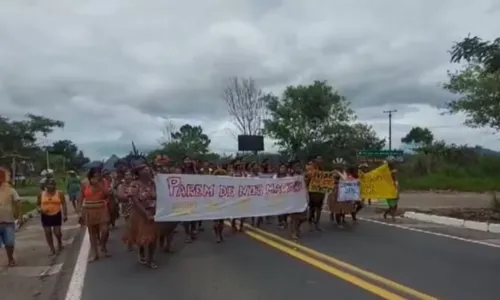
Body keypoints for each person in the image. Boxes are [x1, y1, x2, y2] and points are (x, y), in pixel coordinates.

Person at [123, 165, 159, 268]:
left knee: (153, 237)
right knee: (141, 237)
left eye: (148, 169)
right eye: (144, 170)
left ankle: (150, 259)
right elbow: (135, 201)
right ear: (138, 173)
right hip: (139, 214)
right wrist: (145, 213)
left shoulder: (154, 183)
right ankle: (141, 251)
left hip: (153, 213)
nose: (147, 171)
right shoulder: (135, 184)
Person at [79, 167, 111, 262]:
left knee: (105, 230)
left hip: (101, 208)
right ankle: (94, 253)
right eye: (95, 175)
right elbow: (81, 197)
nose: (97, 177)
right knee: (92, 233)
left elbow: (107, 194)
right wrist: (80, 210)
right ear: (91, 175)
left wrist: (99, 185)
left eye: (98, 175)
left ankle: (102, 245)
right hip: (89, 209)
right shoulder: (84, 183)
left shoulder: (104, 181)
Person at [37, 178, 68, 255]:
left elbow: (64, 203)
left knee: (57, 232)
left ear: (55, 185)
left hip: (56, 214)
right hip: (45, 215)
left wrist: (65, 214)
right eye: (48, 185)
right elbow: (37, 204)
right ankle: (52, 249)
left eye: (52, 184)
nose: (50, 186)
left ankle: (59, 243)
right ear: (45, 185)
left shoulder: (59, 193)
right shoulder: (41, 194)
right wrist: (40, 210)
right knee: (47, 232)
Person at [0, 167, 21, 267]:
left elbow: (17, 202)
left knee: (9, 243)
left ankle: (10, 258)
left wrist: (19, 215)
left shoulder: (10, 190)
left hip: (8, 221)